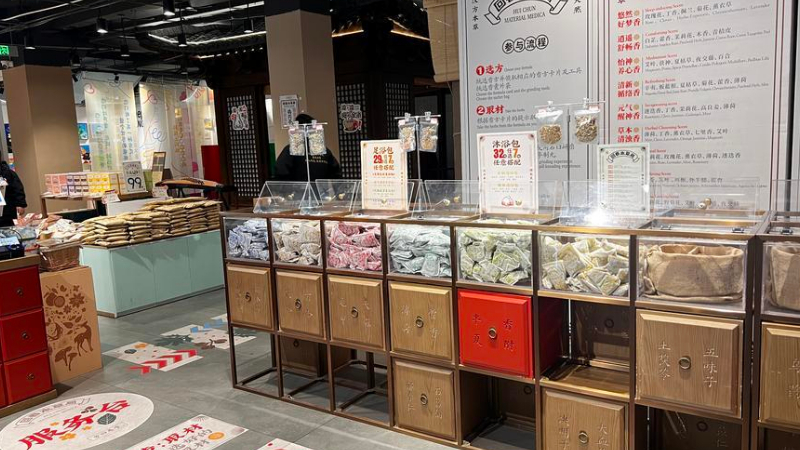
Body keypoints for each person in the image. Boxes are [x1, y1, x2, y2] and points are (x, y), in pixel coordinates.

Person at [275, 113, 341, 181]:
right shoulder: (322, 149)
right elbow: (336, 173)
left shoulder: (293, 149)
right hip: (318, 187)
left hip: (299, 187)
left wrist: (291, 186)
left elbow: (280, 170)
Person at [0, 159, 26, 227]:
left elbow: (17, 188)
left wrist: (20, 204)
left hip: (7, 209)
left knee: (8, 228)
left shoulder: (8, 173)